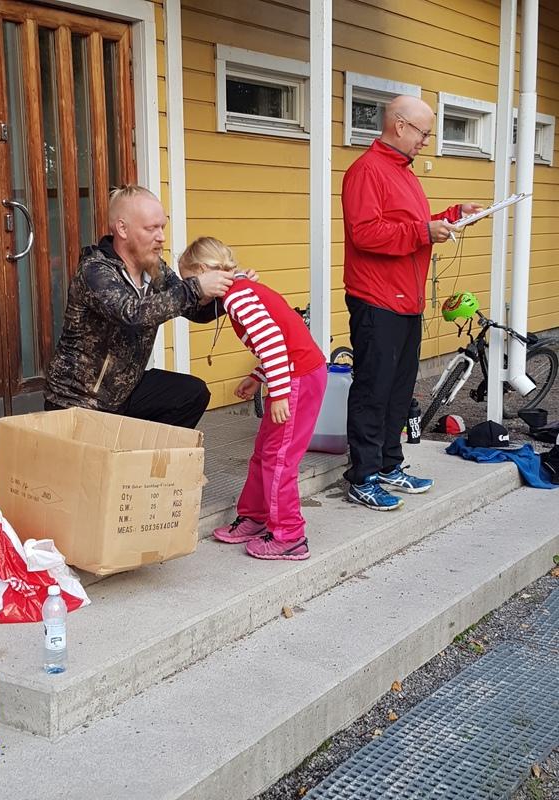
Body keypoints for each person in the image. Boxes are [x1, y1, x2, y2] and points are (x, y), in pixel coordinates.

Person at [341, 95, 483, 511]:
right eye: (424, 133)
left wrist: (453, 215)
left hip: (407, 300)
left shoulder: (402, 171)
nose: (426, 141)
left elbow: (408, 224)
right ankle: (362, 477)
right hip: (376, 299)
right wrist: (424, 232)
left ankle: (389, 465)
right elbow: (365, 233)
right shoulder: (366, 170)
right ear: (400, 125)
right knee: (373, 391)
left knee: (399, 391)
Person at [178, 237, 327, 561]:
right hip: (293, 374)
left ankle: (289, 536)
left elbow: (273, 342)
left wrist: (279, 393)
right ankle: (256, 517)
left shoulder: (237, 297)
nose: (193, 291)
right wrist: (257, 377)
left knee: (279, 459)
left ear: (202, 270)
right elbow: (280, 336)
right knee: (265, 453)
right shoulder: (241, 289)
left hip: (298, 379)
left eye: (191, 281)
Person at [44, 185, 236, 429]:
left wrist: (229, 292)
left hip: (122, 393)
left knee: (192, 394)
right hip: (79, 401)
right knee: (102, 452)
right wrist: (196, 287)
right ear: (122, 229)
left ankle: (153, 453)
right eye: (151, 228)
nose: (161, 237)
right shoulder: (95, 270)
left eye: (162, 227)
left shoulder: (155, 268)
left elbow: (193, 309)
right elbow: (131, 313)